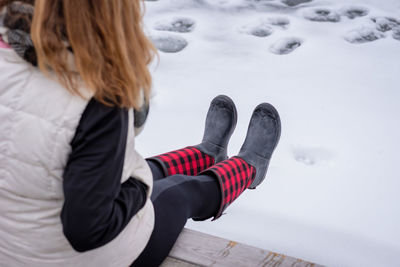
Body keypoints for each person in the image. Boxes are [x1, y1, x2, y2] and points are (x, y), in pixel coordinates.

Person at [0, 0, 281, 266]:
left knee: (125, 172)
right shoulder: (98, 99)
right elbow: (87, 229)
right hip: (78, 258)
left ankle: (207, 152)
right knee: (177, 192)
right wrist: (141, 184)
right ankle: (250, 167)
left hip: (11, 244)